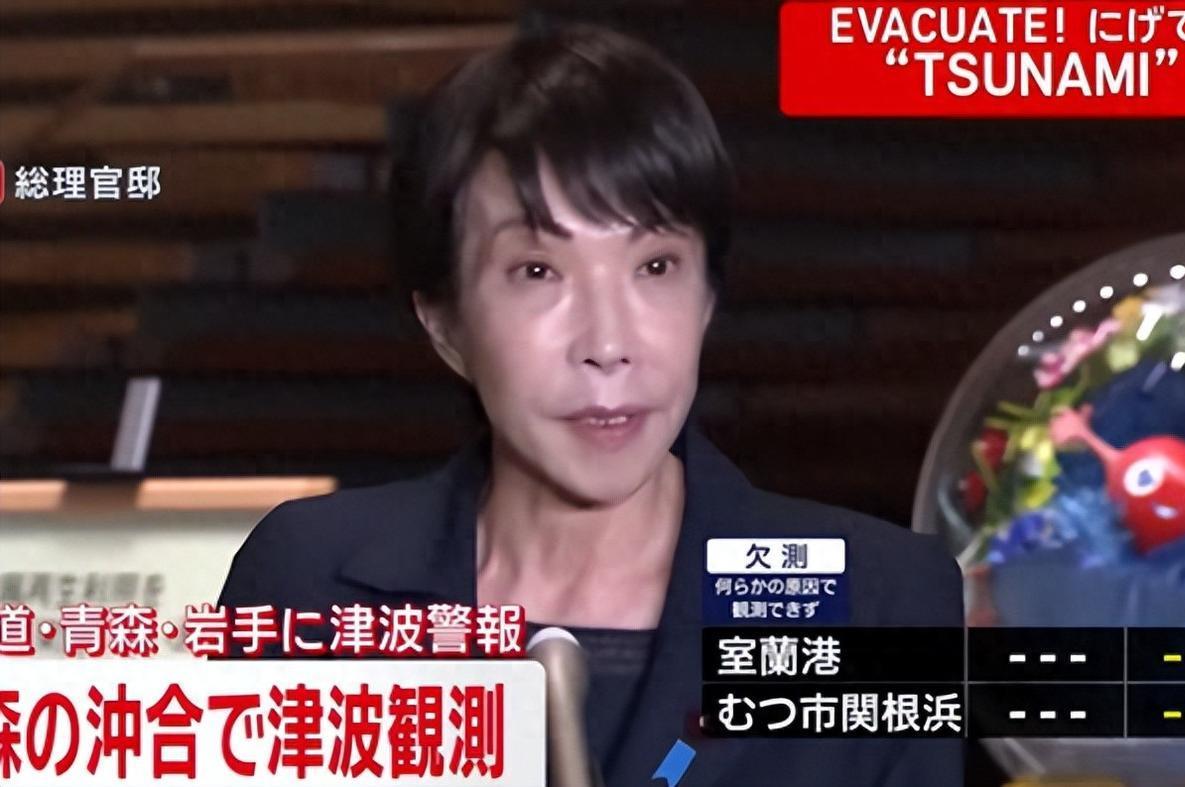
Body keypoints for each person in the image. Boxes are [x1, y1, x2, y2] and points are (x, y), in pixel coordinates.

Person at [218, 23, 964, 786]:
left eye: (656, 265)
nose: (609, 343)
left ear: (708, 298)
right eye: (538, 270)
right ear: (445, 325)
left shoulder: (884, 601)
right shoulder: (306, 584)